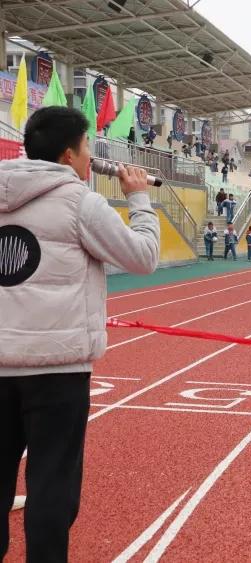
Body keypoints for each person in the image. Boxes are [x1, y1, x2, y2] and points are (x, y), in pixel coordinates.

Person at [0, 106, 160, 562]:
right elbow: (143, 257)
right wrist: (139, 200)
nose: (91, 155)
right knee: (52, 484)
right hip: (57, 368)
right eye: (88, 145)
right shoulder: (80, 202)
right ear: (69, 155)